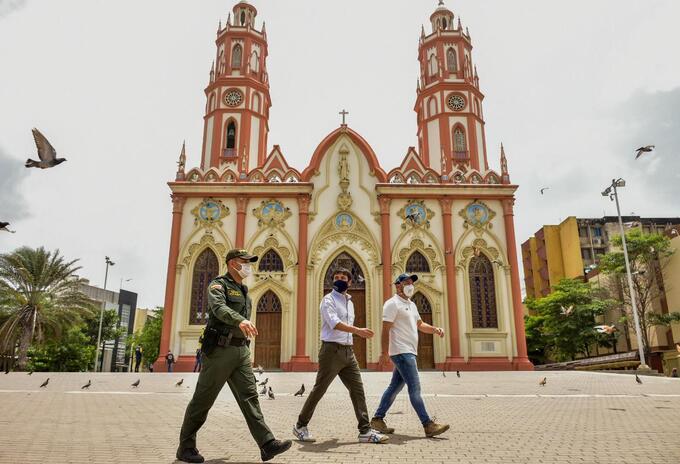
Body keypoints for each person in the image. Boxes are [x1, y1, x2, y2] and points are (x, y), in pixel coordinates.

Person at [177, 249, 291, 463]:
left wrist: (245, 345)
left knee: (250, 398)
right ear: (231, 263)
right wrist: (240, 319)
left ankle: (267, 444)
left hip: (240, 352)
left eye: (250, 262)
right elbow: (218, 308)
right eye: (244, 261)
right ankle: (185, 447)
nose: (248, 265)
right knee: (203, 400)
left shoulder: (244, 290)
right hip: (220, 351)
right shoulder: (218, 285)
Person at [292, 267, 389, 444]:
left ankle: (365, 431)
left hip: (348, 352)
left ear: (350, 282)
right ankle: (300, 425)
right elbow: (334, 323)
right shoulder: (327, 300)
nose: (339, 279)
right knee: (319, 390)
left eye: (343, 277)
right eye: (336, 277)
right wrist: (358, 330)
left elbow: (345, 326)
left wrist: (354, 335)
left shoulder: (350, 302)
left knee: (358, 391)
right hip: (331, 351)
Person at [370, 273, 450, 438]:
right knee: (415, 389)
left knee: (395, 387)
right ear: (397, 285)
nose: (410, 285)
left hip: (408, 351)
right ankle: (428, 424)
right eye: (406, 282)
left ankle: (377, 419)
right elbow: (385, 329)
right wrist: (384, 353)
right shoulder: (392, 304)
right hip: (402, 352)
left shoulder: (411, 305)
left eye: (411, 283)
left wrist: (434, 329)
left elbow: (420, 324)